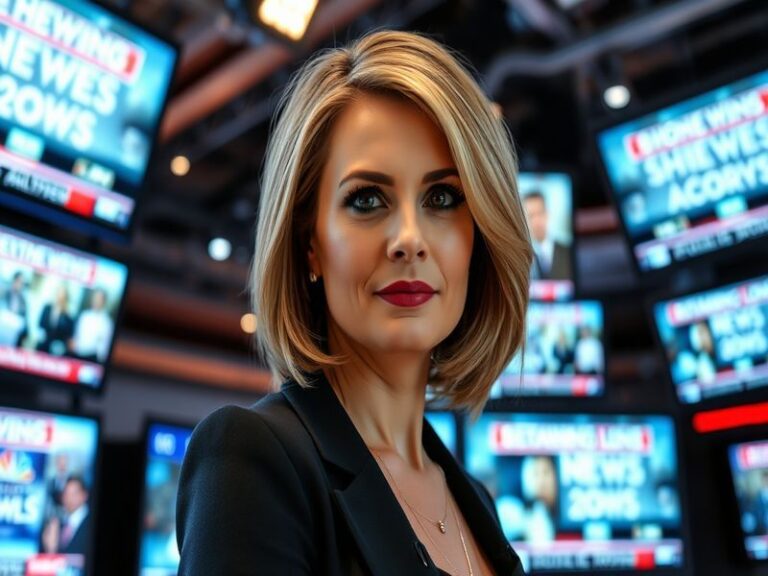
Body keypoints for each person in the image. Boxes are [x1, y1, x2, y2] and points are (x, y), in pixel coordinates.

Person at [177, 30, 531, 576]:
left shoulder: (475, 499)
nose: (409, 239)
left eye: (442, 198)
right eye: (367, 199)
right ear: (310, 243)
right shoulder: (251, 458)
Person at [522, 191, 571, 281]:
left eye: (540, 213)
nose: (537, 222)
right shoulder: (522, 257)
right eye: (531, 216)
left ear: (547, 214)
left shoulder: (568, 251)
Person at [70, 288, 114, 362]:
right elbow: (76, 336)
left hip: (92, 358)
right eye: (95, 298)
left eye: (99, 299)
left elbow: (104, 347)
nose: (96, 301)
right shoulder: (84, 315)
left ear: (104, 301)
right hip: (77, 354)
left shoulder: (107, 322)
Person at [36, 284, 75, 356]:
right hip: (43, 346)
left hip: (56, 350)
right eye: (58, 293)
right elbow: (40, 324)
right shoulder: (47, 308)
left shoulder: (68, 316)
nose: (59, 297)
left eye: (62, 295)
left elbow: (67, 335)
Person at [0, 271, 29, 347]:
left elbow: (25, 321)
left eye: (23, 283)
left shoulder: (23, 301)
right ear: (14, 280)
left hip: (13, 338)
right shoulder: (3, 293)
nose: (20, 285)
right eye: (19, 281)